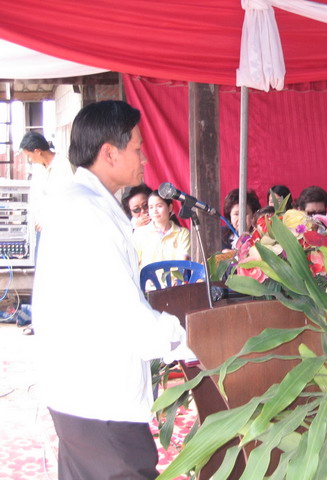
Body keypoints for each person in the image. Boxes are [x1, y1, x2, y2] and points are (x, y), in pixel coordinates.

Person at [32, 100, 189, 479]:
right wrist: (192, 336)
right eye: (136, 147)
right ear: (109, 153)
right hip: (100, 401)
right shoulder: (90, 213)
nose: (145, 158)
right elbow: (126, 317)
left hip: (80, 395)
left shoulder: (80, 202)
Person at [19, 131, 74, 233]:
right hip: (40, 228)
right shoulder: (37, 167)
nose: (29, 160)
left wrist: (47, 222)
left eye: (29, 156)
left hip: (59, 228)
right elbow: (35, 196)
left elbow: (67, 200)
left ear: (37, 151)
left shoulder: (64, 165)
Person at [133, 190, 191, 269]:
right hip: (146, 277)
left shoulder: (182, 233)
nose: (155, 211)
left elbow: (182, 264)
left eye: (159, 206)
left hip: (176, 277)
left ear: (170, 207)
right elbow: (134, 263)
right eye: (151, 207)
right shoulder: (140, 233)